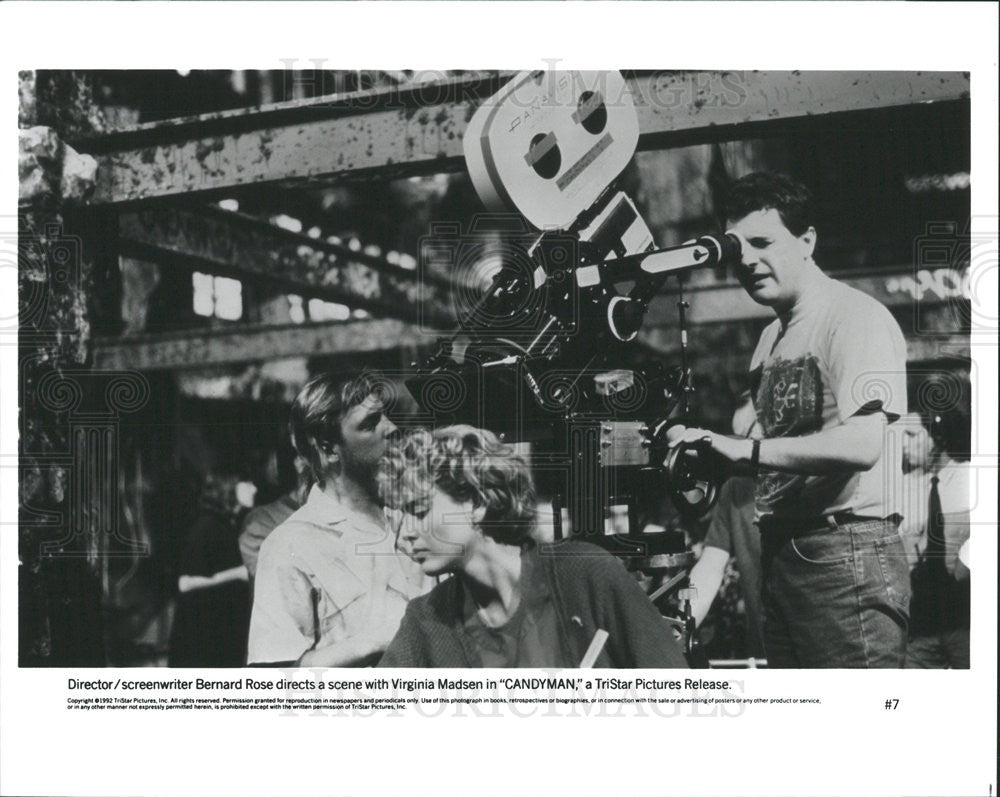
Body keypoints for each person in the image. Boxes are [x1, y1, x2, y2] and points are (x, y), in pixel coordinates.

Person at [668, 172, 910, 668]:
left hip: (843, 554)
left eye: (763, 242)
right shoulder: (768, 339)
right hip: (783, 553)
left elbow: (864, 444)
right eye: (737, 248)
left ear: (807, 242)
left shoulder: (853, 316)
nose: (747, 261)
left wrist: (746, 450)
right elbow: (776, 453)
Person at [377, 425, 688, 668]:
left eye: (418, 510)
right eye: (398, 516)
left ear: (475, 502)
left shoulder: (586, 574)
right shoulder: (427, 619)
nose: (405, 533)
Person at [246, 371, 427, 667]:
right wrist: (368, 643)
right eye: (370, 424)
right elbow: (272, 680)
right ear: (328, 448)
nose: (392, 429)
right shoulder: (290, 545)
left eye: (386, 416)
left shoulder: (418, 517)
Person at [687, 398, 764, 660]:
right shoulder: (735, 489)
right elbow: (710, 567)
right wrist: (681, 623)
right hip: (763, 651)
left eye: (748, 439)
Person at [897, 405, 971, 668]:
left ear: (938, 437)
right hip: (923, 621)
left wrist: (964, 568)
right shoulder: (912, 487)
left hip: (964, 619)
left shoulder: (969, 478)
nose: (904, 445)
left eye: (912, 435)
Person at [168, 472, 250, 667]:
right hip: (201, 639)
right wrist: (237, 573)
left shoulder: (226, 525)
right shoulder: (207, 527)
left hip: (214, 634)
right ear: (229, 487)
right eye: (246, 482)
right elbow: (185, 583)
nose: (254, 488)